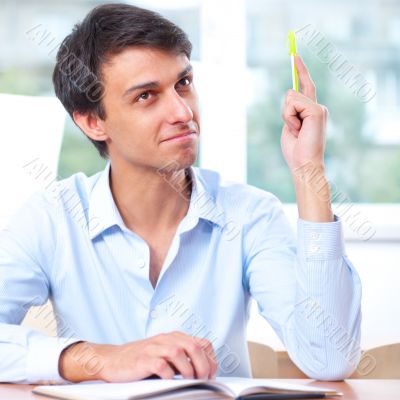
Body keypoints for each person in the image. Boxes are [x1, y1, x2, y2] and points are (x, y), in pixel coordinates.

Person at [0, 3, 362, 384]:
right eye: (146, 96)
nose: (181, 111)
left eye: (183, 84)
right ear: (93, 122)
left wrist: (309, 173)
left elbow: (331, 357)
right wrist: (100, 359)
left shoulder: (250, 214)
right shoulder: (52, 218)